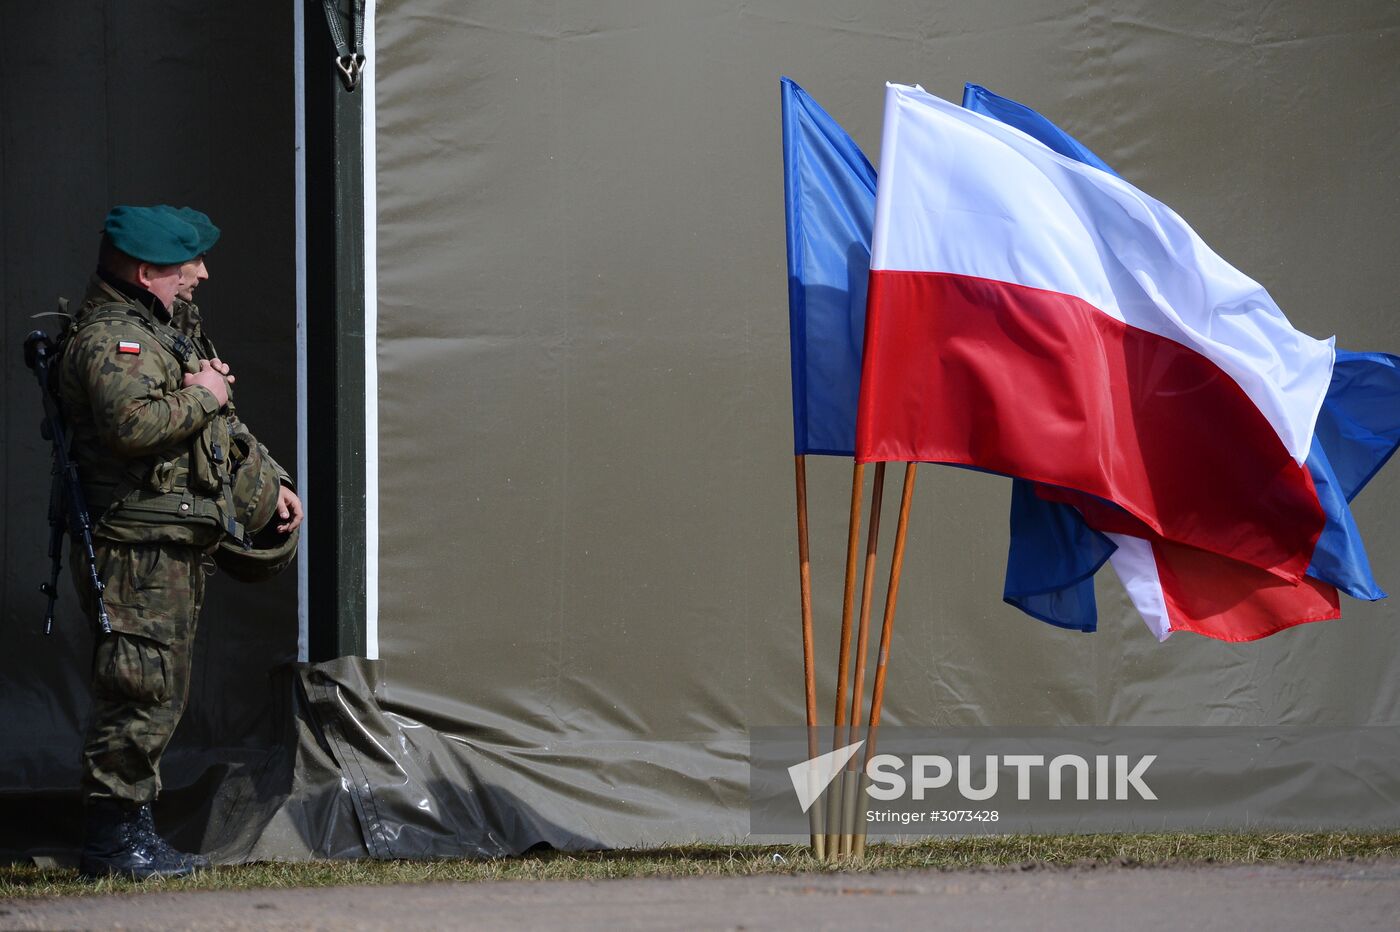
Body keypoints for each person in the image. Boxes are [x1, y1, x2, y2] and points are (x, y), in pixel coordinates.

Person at [57, 205, 299, 879]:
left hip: (165, 543)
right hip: (135, 550)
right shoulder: (114, 340)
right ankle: (113, 845)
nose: (201, 275)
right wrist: (204, 395)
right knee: (138, 690)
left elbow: (214, 428)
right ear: (144, 271)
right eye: (188, 264)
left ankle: (130, 836)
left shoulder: (162, 332)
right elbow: (133, 427)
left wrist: (268, 483)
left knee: (157, 692)